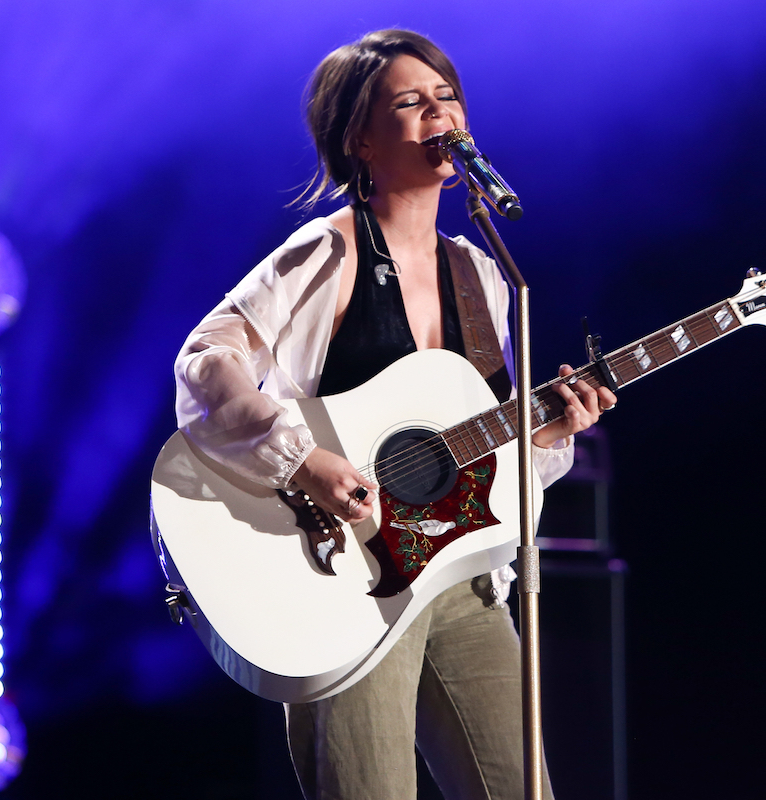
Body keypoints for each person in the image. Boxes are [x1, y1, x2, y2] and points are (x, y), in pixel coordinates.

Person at [173, 29, 617, 800]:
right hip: (340, 581)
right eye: (411, 103)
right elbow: (206, 363)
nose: (439, 113)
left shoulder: (481, 274)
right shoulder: (327, 251)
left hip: (460, 580)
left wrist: (544, 434)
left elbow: (480, 452)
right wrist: (301, 459)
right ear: (361, 140)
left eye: (448, 97)